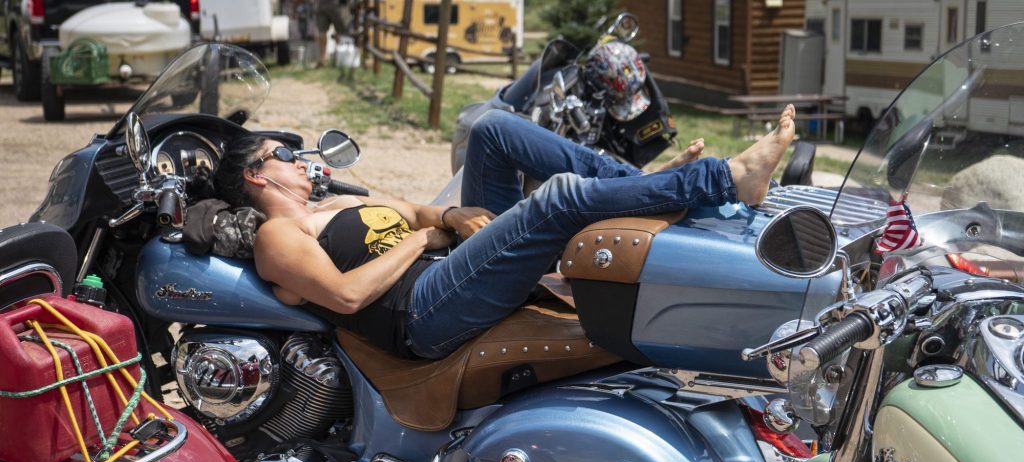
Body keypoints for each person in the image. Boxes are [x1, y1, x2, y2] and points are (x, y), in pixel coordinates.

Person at [214, 105, 796, 360]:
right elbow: (345, 296)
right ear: (256, 175)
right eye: (284, 153)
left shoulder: (335, 198)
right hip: (421, 310)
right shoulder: (277, 237)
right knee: (558, 197)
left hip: (449, 268)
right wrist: (426, 240)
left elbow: (416, 210)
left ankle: (640, 185)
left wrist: (446, 219)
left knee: (490, 131)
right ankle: (723, 178)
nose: (300, 157)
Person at [314, 0, 352, 68]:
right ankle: (338, 58)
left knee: (322, 32)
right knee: (341, 32)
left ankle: (323, 58)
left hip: (322, 4)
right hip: (338, 4)